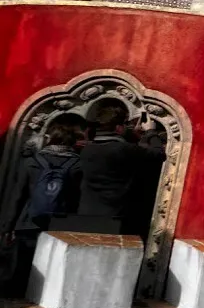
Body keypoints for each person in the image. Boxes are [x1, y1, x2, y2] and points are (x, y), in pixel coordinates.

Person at [6, 114, 86, 294]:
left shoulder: (32, 162)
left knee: (22, 263)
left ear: (49, 138)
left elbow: (18, 196)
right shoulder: (78, 165)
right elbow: (76, 197)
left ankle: (16, 296)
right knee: (52, 266)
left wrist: (8, 226)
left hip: (28, 220)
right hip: (59, 223)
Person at [74, 99, 164, 239]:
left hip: (86, 214)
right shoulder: (123, 149)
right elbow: (158, 154)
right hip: (115, 218)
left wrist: (134, 136)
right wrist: (151, 132)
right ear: (118, 128)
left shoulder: (87, 150)